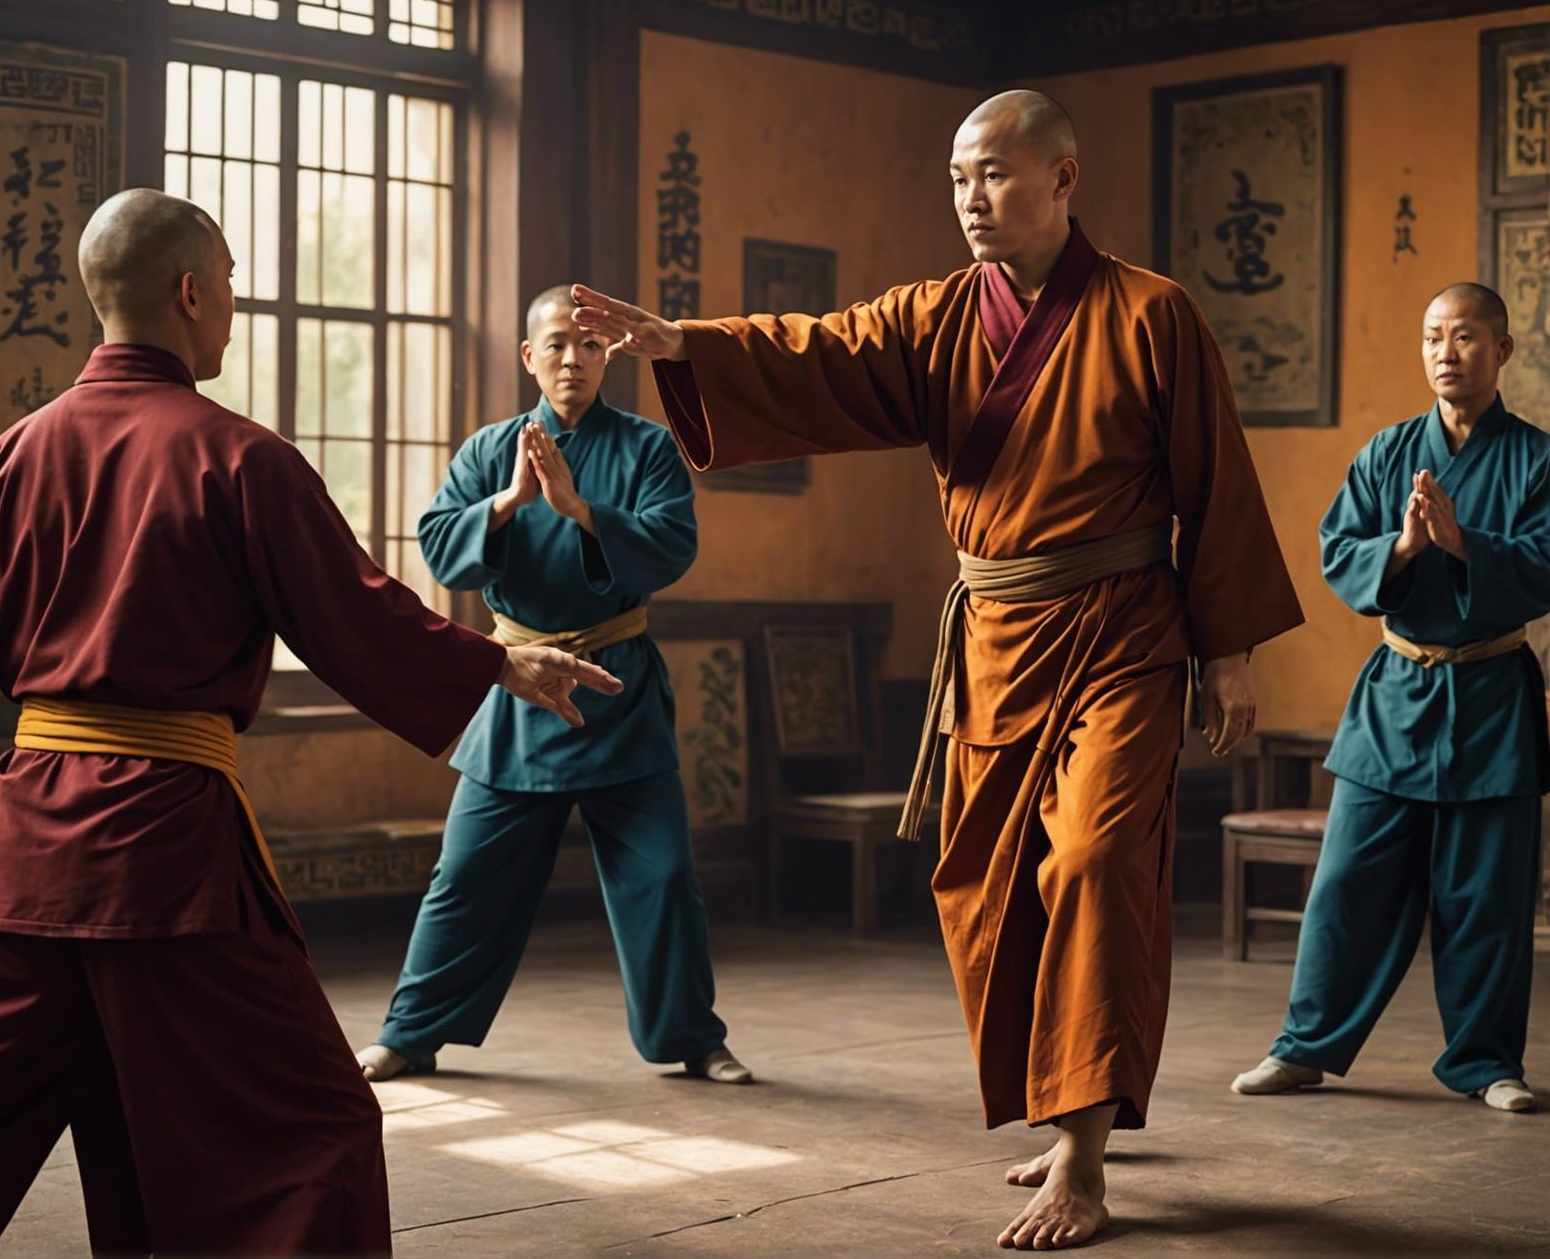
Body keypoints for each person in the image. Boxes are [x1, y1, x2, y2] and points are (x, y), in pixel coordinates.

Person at [573, 89, 1303, 1250]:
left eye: (995, 174)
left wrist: (1229, 653)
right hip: (996, 642)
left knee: (1096, 858)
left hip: (1121, 632)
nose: (971, 198)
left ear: (1061, 178)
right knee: (987, 887)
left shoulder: (1149, 313)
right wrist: (684, 346)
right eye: (959, 177)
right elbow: (817, 351)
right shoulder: (933, 316)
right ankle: (1066, 1103)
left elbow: (1214, 479)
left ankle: (1084, 1156)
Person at [0, 190, 622, 1256]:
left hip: (19, 863)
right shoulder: (235, 456)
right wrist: (497, 660)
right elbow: (351, 613)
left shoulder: (6, 460)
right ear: (188, 292)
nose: (234, 303)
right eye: (228, 283)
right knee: (313, 1131)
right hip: (164, 863)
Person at [355, 285, 750, 1088]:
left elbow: (673, 544)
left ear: (609, 357)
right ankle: (411, 1034)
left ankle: (693, 1038)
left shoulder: (648, 448)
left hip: (617, 688)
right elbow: (440, 546)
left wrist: (580, 509)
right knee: (466, 875)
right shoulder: (488, 449)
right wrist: (511, 501)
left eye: (589, 345)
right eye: (557, 345)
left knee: (664, 874)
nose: (574, 359)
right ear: (529, 356)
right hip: (519, 687)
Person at [1232, 283, 1545, 1116]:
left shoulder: (1537, 460)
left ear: (1502, 350)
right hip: (1396, 691)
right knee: (1347, 882)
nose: (1447, 352)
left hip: (1493, 695)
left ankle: (1488, 1062)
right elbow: (1339, 549)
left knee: (1487, 894)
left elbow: (1547, 562)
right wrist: (1403, 547)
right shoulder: (1388, 452)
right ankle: (1303, 1047)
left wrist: (1464, 543)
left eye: (1465, 336)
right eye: (1434, 336)